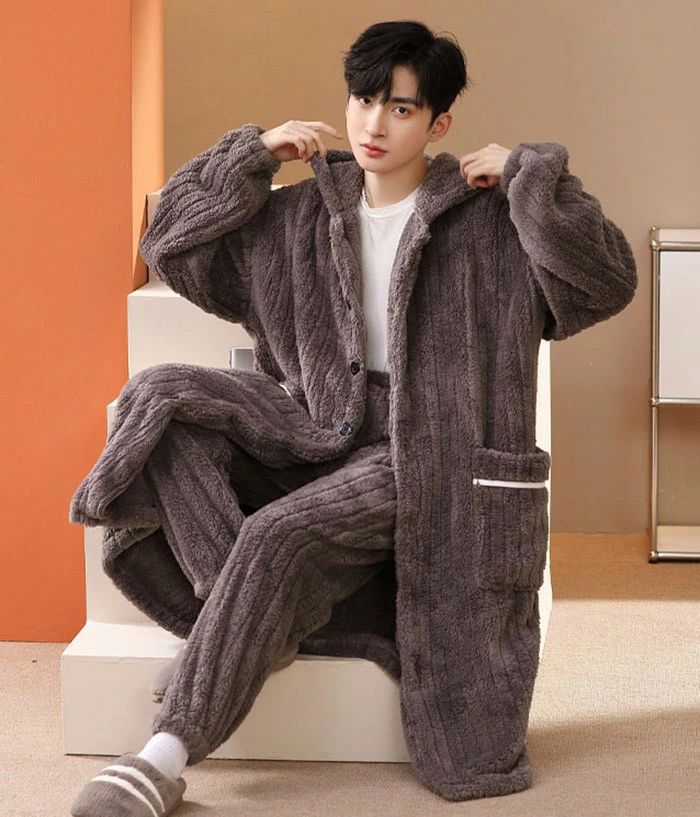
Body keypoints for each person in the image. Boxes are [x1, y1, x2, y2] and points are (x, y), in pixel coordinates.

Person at [69, 20, 475, 816]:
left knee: (274, 533)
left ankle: (162, 754)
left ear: (438, 123)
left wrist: (529, 175)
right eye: (363, 100)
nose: (373, 124)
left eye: (400, 108)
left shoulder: (472, 219)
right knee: (162, 400)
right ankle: (250, 624)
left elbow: (596, 280)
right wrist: (252, 153)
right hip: (308, 418)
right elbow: (170, 240)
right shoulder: (297, 214)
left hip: (410, 445)